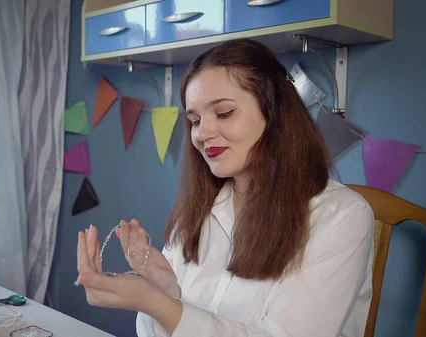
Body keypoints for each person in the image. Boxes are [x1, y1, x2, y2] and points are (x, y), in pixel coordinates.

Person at [75, 38, 374, 337]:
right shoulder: (201, 208)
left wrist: (157, 303)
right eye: (194, 120)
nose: (201, 134)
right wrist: (165, 291)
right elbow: (152, 330)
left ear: (275, 114)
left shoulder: (342, 216)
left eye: (223, 113)